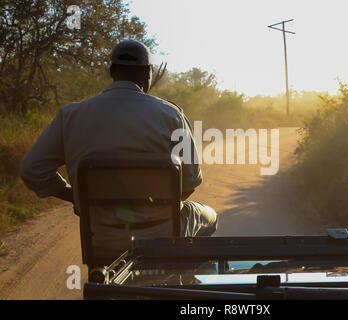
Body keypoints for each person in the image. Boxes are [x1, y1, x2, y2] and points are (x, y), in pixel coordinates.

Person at [20, 40, 218, 260]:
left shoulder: (71, 115)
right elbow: (191, 181)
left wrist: (79, 198)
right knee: (210, 217)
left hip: (101, 238)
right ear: (148, 73)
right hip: (160, 235)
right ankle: (187, 278)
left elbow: (32, 169)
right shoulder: (171, 115)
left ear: (111, 71)